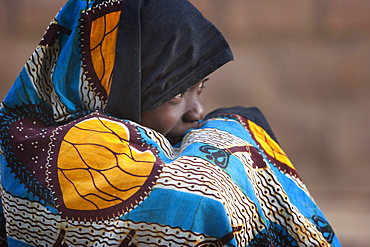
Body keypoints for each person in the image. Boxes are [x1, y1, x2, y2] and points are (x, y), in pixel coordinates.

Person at [0, 0, 341, 246]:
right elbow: (202, 205)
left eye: (200, 89)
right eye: (177, 93)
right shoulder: (73, 155)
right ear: (116, 86)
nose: (198, 112)